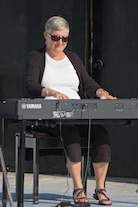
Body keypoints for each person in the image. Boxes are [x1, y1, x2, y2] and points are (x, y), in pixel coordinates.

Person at [25, 16, 116, 205]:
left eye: (64, 39)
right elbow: (30, 85)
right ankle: (78, 189)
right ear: (46, 35)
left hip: (76, 113)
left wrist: (101, 92)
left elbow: (87, 83)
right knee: (71, 133)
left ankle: (100, 189)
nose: (60, 43)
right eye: (56, 38)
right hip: (51, 116)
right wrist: (50, 92)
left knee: (101, 135)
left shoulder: (73, 58)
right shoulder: (36, 57)